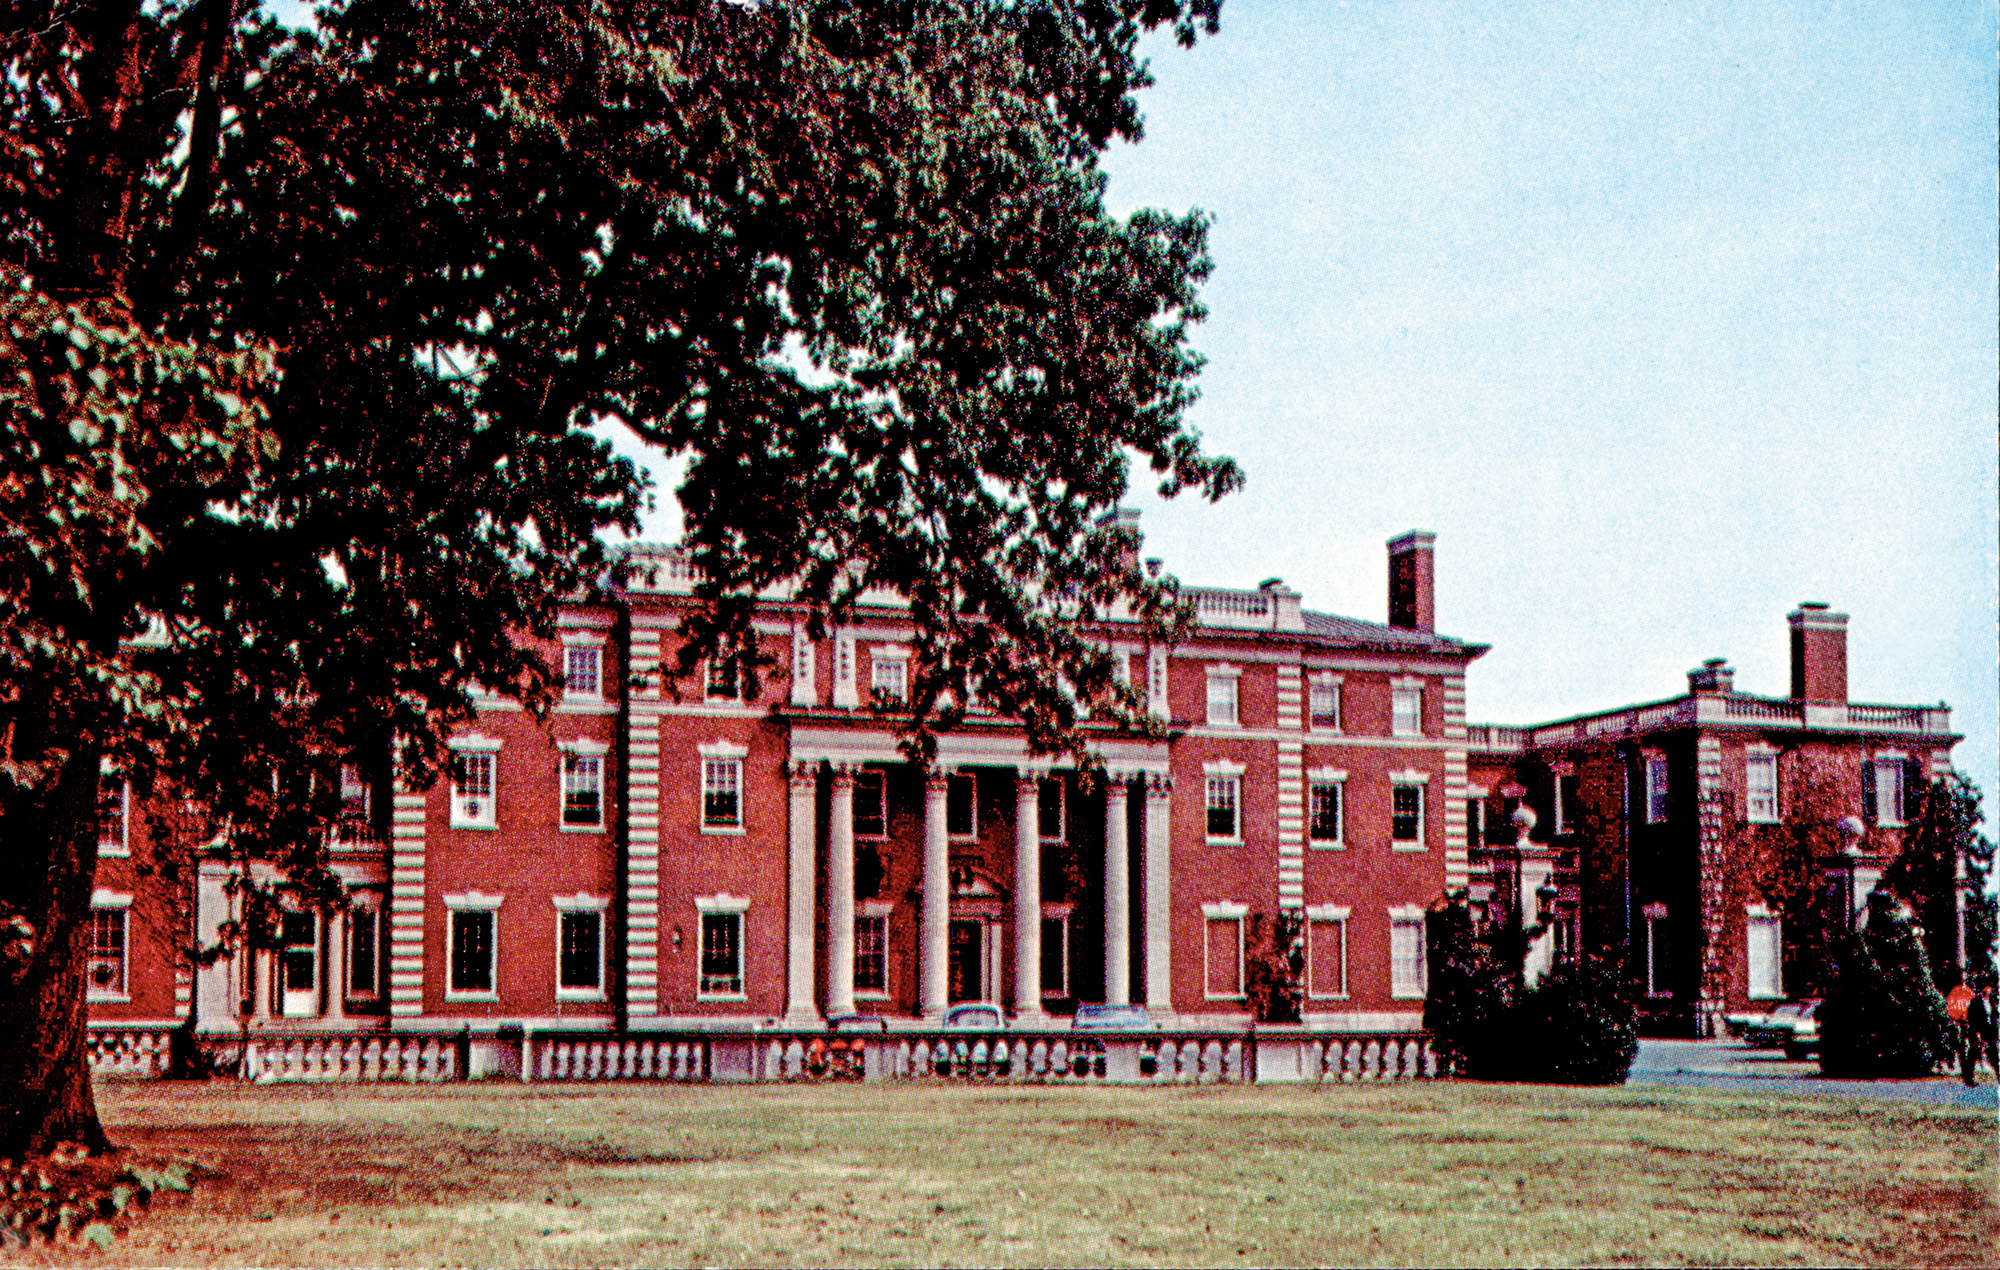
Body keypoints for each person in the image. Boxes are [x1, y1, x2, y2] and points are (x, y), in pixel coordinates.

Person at [1962, 982, 1995, 1087]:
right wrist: (1977, 1033)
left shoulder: (1990, 1002)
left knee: (1993, 1054)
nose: (1989, 990)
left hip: (1988, 1032)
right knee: (1973, 1056)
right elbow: (1972, 1018)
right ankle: (1968, 1079)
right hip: (1978, 1032)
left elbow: (1992, 1017)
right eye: (1987, 988)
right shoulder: (1976, 1002)